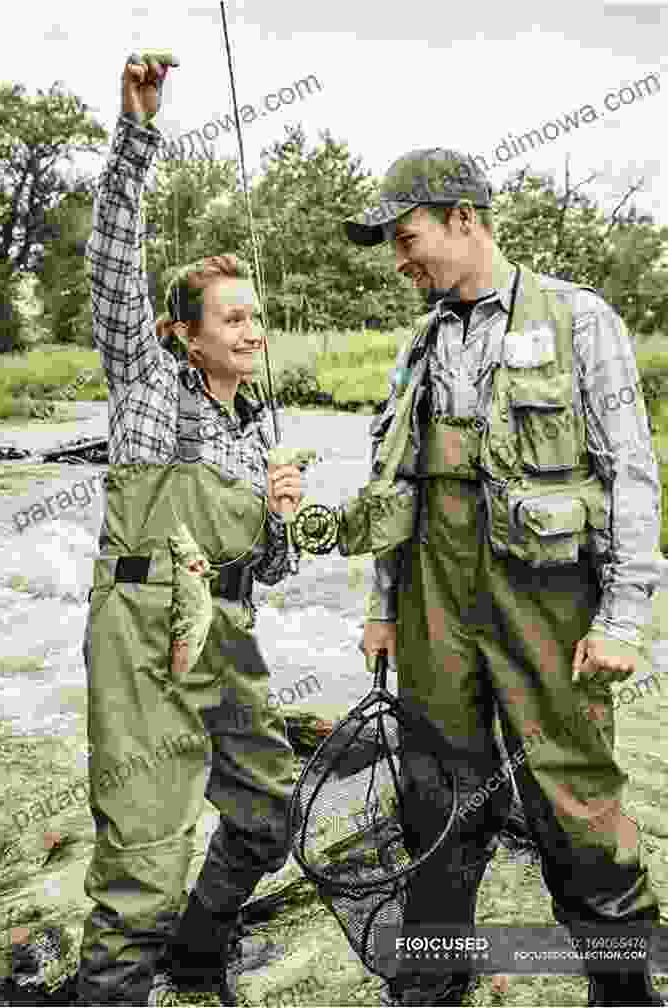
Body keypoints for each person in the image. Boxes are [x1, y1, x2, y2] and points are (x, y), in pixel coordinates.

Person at [345, 149, 667, 1007]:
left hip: (549, 604)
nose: (400, 260)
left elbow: (631, 471)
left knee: (575, 802)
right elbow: (394, 484)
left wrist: (626, 618)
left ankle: (625, 991)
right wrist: (384, 605)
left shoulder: (579, 318)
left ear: (464, 218)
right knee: (435, 801)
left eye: (407, 238)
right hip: (433, 607)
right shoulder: (421, 340)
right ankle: (434, 984)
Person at [71, 52, 306, 1007]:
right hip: (142, 630)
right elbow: (112, 260)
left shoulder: (259, 427)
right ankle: (116, 989)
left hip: (227, 631)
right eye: (235, 318)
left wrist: (285, 521)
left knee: (266, 815)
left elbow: (273, 569)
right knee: (142, 862)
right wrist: (137, 131)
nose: (254, 332)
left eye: (259, 318)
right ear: (184, 333)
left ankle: (200, 954)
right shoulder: (147, 388)